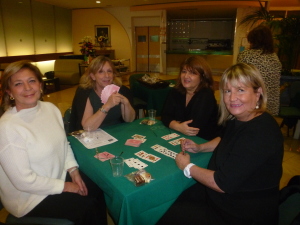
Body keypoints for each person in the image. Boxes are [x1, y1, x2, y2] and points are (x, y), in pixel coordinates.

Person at [157, 63, 284, 225]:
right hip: (220, 199)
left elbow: (222, 183)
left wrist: (187, 167)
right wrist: (200, 147)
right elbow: (225, 140)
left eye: (241, 90)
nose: (232, 98)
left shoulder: (260, 132)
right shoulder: (240, 118)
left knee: (167, 216)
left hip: (239, 214)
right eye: (227, 91)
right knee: (170, 198)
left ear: (258, 93)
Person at [0, 60, 107, 225]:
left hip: (56, 176)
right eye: (18, 84)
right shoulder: (7, 127)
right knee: (87, 206)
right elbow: (24, 181)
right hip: (29, 197)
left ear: (40, 84)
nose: (28, 88)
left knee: (98, 188)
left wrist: (74, 172)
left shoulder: (50, 109)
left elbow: (63, 145)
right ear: (9, 91)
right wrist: (66, 186)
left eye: (32, 81)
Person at [69, 56, 135, 132]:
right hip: (93, 135)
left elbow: (130, 120)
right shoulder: (84, 92)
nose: (107, 75)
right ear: (93, 76)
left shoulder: (122, 90)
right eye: (101, 71)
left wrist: (126, 103)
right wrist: (107, 105)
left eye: (109, 71)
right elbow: (87, 128)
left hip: (117, 132)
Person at [161, 56, 220, 140]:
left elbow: (193, 128)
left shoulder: (206, 95)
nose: (186, 76)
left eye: (192, 73)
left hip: (202, 140)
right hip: (180, 136)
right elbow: (165, 116)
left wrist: (174, 123)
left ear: (202, 77)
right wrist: (178, 126)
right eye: (184, 71)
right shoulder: (176, 91)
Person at [237, 25, 282, 115]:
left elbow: (238, 77)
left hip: (253, 100)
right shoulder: (274, 57)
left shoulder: (246, 55)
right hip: (270, 101)